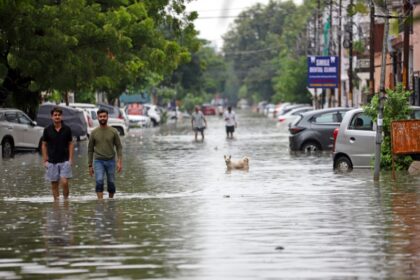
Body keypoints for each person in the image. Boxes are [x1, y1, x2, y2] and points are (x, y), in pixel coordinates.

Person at [88, 109, 123, 199]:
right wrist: (90, 165)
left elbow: (119, 147)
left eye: (104, 116)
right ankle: (100, 203)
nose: (102, 118)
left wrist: (119, 161)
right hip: (98, 161)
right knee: (99, 181)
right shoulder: (94, 132)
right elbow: (90, 149)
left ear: (107, 117)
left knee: (111, 182)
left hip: (111, 160)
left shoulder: (113, 131)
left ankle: (111, 202)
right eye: (100, 116)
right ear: (98, 117)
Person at [42, 107, 74, 201]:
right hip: (52, 161)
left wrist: (71, 159)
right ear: (52, 117)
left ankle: (65, 201)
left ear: (61, 116)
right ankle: (56, 205)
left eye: (59, 115)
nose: (57, 117)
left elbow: (71, 143)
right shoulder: (47, 129)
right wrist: (45, 160)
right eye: (55, 115)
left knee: (64, 182)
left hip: (65, 160)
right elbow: (44, 145)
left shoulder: (67, 129)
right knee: (54, 184)